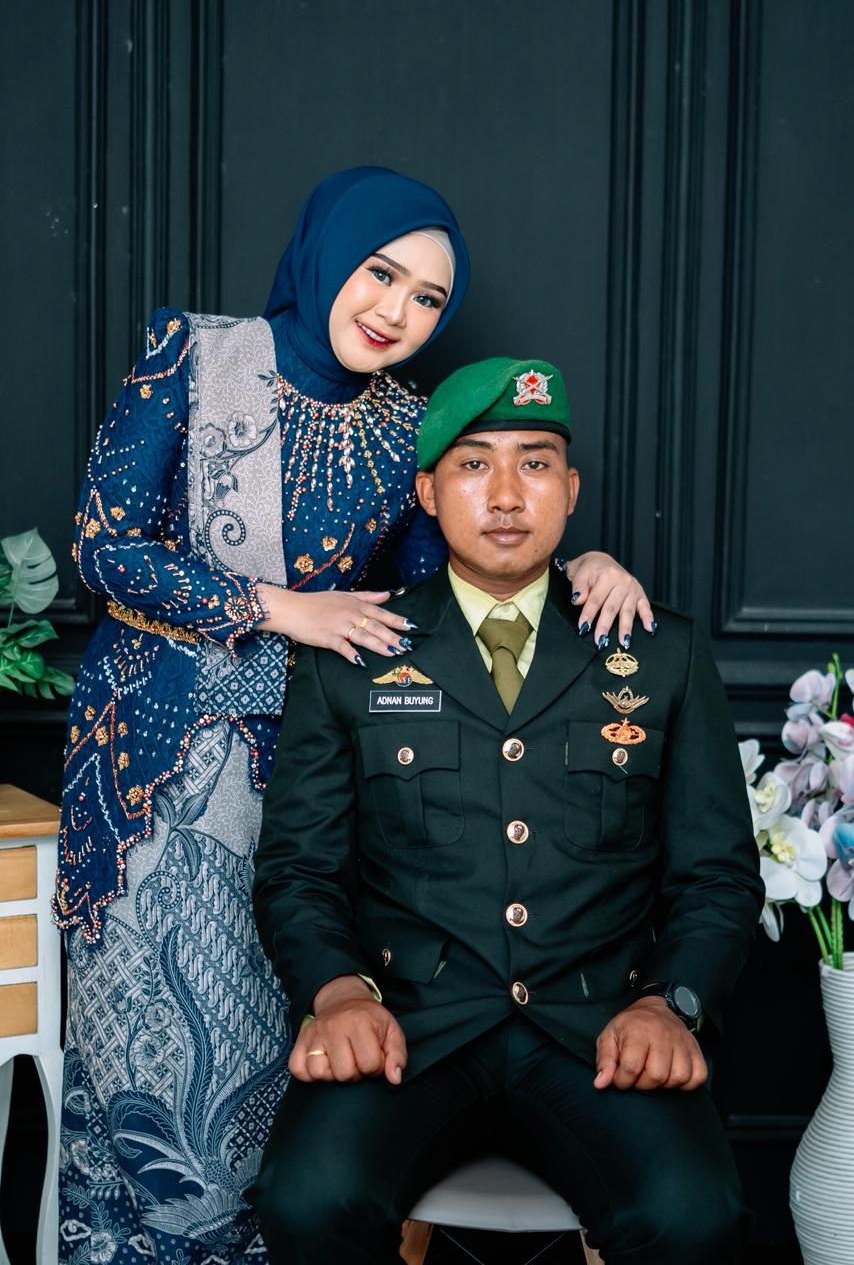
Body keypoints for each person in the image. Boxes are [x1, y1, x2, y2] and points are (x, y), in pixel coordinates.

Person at [54, 169, 653, 1263]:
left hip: (308, 793)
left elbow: (449, 585)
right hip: (158, 778)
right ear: (328, 252)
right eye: (381, 273)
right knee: (153, 1087)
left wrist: (581, 567)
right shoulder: (194, 354)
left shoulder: (404, 424)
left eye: (427, 298)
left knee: (268, 1095)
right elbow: (102, 546)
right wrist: (274, 606)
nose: (396, 311)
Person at [250, 355, 764, 1264]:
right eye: (472, 464)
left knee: (695, 1216)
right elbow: (299, 870)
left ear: (570, 489)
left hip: (597, 1030)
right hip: (412, 1028)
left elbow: (717, 876)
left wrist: (671, 1005)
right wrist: (337, 993)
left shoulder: (660, 653)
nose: (505, 495)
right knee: (307, 1199)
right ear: (427, 491)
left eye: (534, 463)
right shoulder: (355, 653)